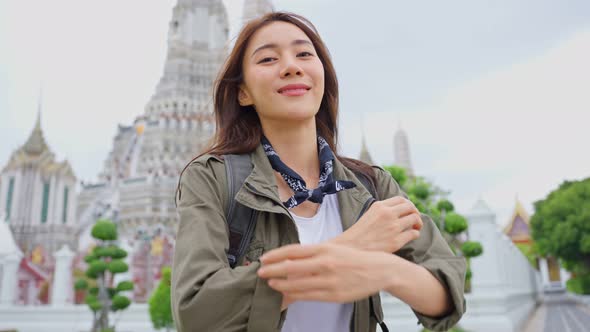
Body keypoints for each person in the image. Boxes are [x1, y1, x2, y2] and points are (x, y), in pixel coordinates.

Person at [171, 11, 466, 332]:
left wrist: (385, 269)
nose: (291, 66)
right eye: (268, 59)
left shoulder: (370, 185)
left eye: (304, 54)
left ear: (322, 76)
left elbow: (447, 292)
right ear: (243, 92)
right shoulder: (213, 178)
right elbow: (196, 312)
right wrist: (349, 247)